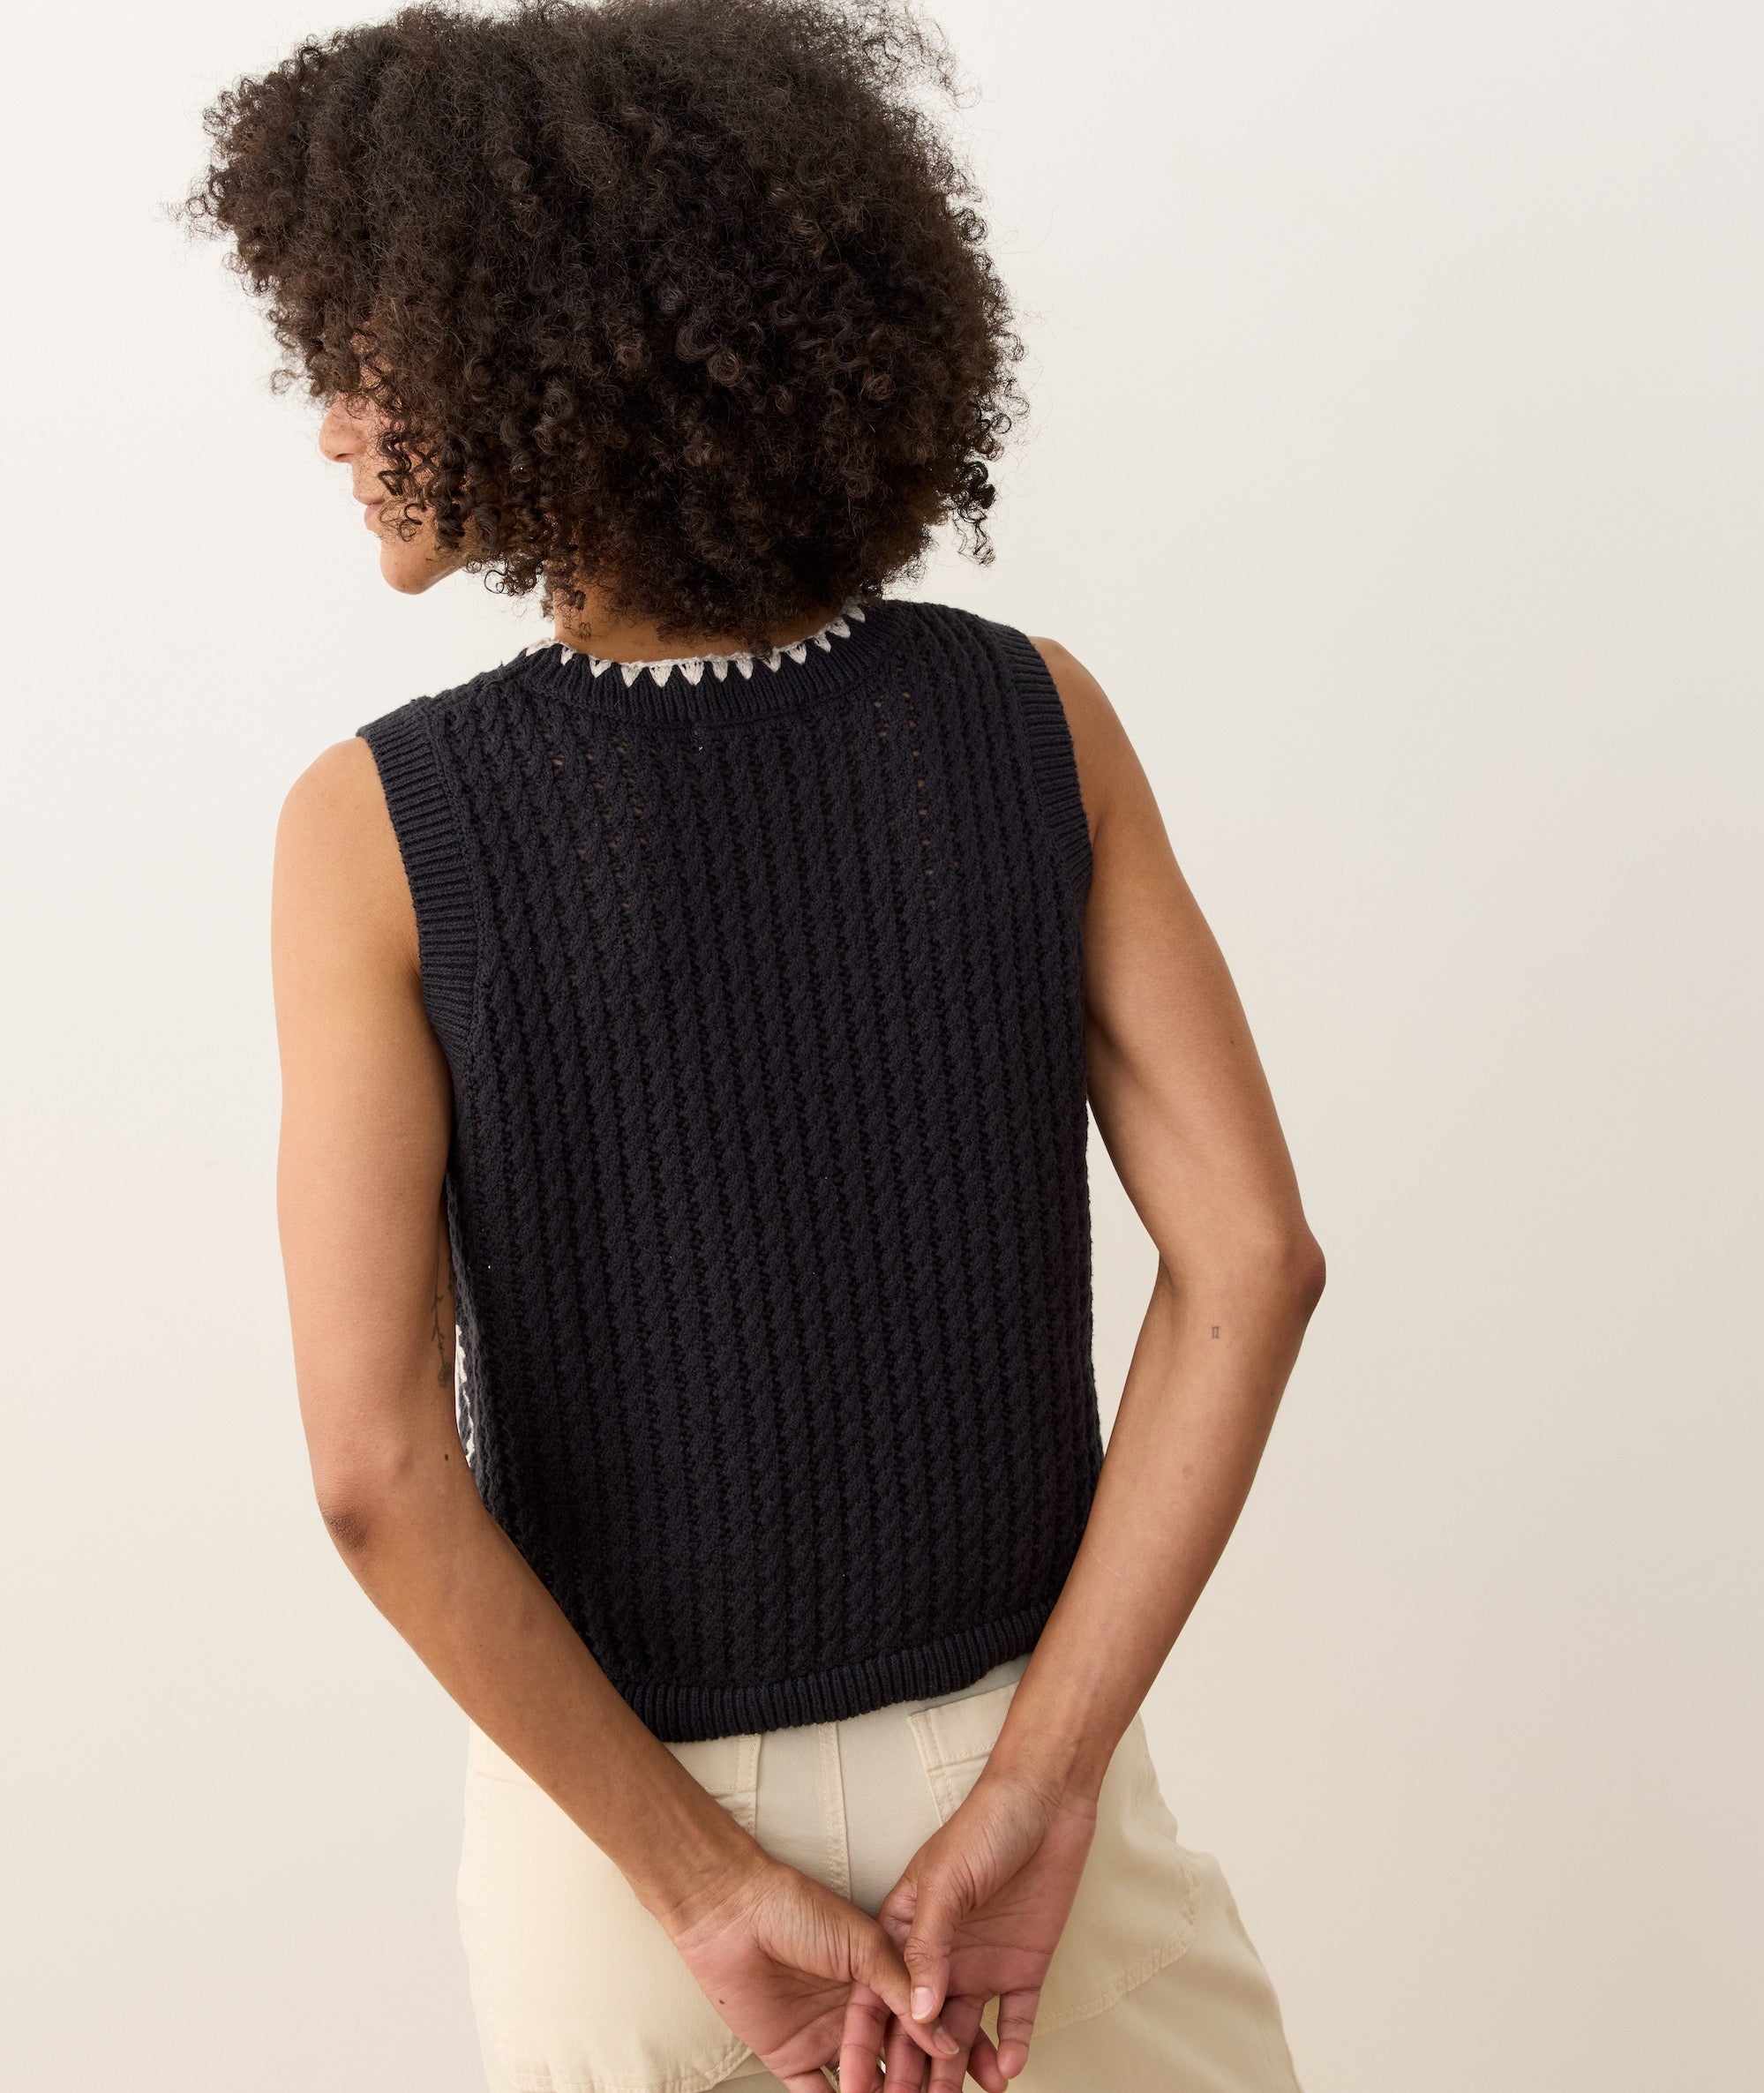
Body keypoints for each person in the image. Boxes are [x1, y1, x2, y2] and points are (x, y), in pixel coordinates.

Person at [183, 2, 1325, 2086]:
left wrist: (703, 1884)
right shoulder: (1032, 721)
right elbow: (1252, 1258)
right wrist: (1042, 1785)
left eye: (363, 352)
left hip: (620, 1861)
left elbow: (373, 1471)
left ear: (529, 354)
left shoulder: (373, 831)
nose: (331, 424)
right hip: (1018, 1784)